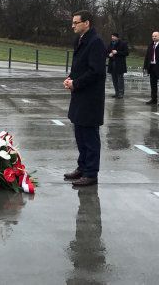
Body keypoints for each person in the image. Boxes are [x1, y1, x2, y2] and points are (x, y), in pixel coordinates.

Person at [63, 10, 106, 187]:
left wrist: (76, 83)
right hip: (79, 94)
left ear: (86, 23)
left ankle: (91, 173)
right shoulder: (80, 40)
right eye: (72, 22)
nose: (73, 25)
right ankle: (82, 167)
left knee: (90, 136)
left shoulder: (95, 42)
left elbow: (96, 72)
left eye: (76, 22)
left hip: (90, 97)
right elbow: (79, 66)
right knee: (79, 133)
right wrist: (70, 78)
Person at [106, 33, 128, 99]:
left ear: (117, 37)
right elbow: (106, 52)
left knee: (120, 79)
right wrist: (108, 55)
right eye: (112, 36)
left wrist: (117, 52)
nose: (112, 37)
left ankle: (121, 93)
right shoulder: (110, 44)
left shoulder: (123, 43)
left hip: (120, 64)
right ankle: (117, 92)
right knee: (114, 79)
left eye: (113, 36)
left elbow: (126, 53)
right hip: (112, 63)